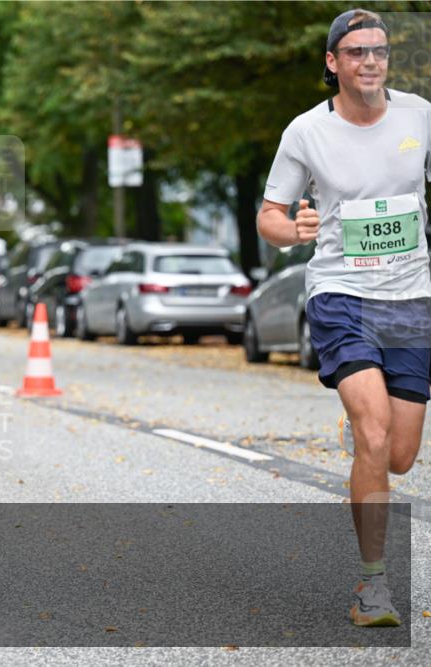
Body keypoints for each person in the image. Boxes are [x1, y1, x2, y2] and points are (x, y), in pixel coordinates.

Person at [257, 8, 430, 627]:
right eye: (357, 52)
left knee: (401, 455)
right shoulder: (306, 131)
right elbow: (270, 215)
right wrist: (292, 230)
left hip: (410, 298)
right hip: (341, 294)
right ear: (333, 62)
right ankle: (374, 587)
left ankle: (365, 434)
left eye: (379, 51)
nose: (371, 62)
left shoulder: (420, 116)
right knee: (377, 434)